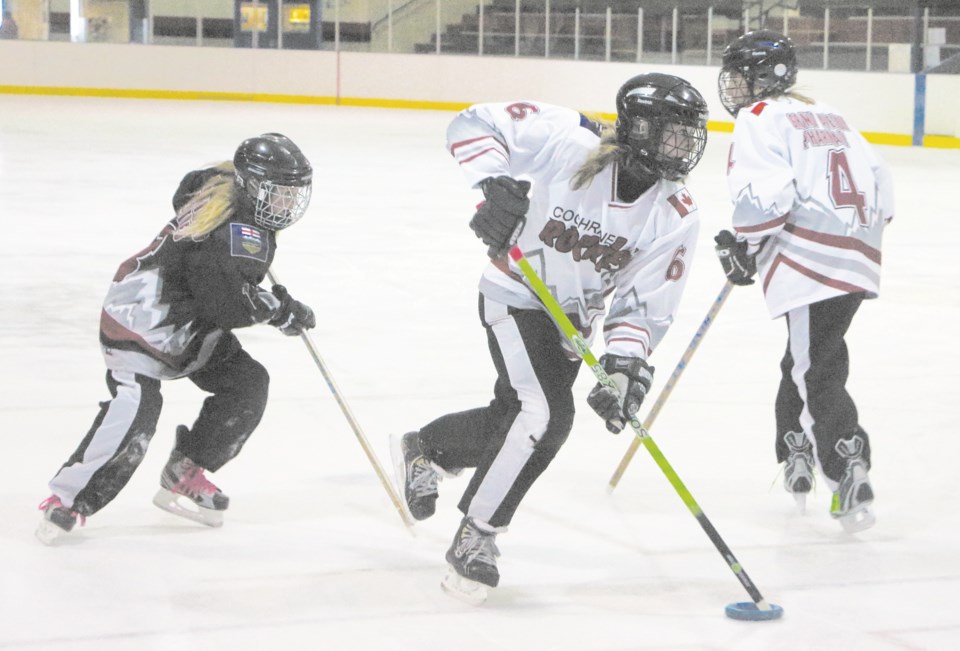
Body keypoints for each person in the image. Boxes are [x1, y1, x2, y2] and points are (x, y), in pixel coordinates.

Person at [390, 73, 709, 604]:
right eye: (671, 133)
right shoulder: (570, 140)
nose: (681, 148)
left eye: (688, 135)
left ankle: (428, 448)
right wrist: (493, 183)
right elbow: (475, 122)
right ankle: (478, 534)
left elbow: (642, 303)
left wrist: (627, 365)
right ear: (638, 127)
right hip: (514, 295)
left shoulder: (676, 213)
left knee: (514, 418)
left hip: (570, 327)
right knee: (546, 416)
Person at [36, 133, 317, 544]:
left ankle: (185, 471)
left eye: (293, 194)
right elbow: (228, 304)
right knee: (137, 411)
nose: (287, 205)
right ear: (252, 186)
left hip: (189, 329)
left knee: (246, 383)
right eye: (278, 194)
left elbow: (191, 192)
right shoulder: (232, 234)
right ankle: (68, 498)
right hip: (141, 326)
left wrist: (270, 299)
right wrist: (281, 310)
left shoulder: (221, 190)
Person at [715, 30, 894, 533]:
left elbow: (766, 197)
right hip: (857, 254)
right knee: (808, 356)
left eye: (742, 75)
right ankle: (795, 444)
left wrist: (744, 246)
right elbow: (882, 179)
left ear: (764, 77)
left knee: (815, 368)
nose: (734, 87)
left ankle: (847, 467)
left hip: (810, 260)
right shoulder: (828, 113)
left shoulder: (759, 119)